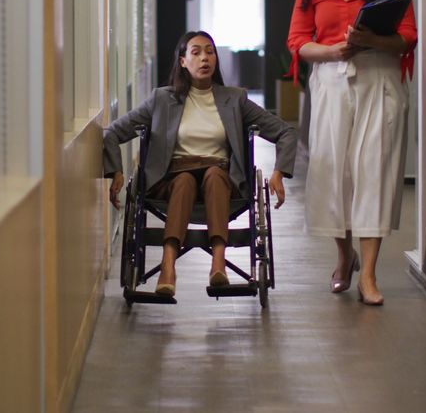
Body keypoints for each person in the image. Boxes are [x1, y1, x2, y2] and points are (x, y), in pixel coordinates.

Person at [286, 0, 418, 306]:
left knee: (374, 172)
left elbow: (408, 37)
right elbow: (297, 42)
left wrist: (372, 41)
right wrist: (333, 50)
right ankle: (345, 259)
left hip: (379, 80)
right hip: (330, 81)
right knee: (335, 173)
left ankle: (371, 276)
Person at [104, 31, 297, 297]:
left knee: (216, 176)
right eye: (196, 52)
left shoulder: (235, 99)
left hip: (221, 178)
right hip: (171, 179)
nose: (204, 58)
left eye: (209, 51)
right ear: (182, 61)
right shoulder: (162, 99)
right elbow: (112, 132)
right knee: (184, 181)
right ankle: (168, 268)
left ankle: (218, 263)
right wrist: (115, 170)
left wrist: (279, 172)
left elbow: (285, 132)